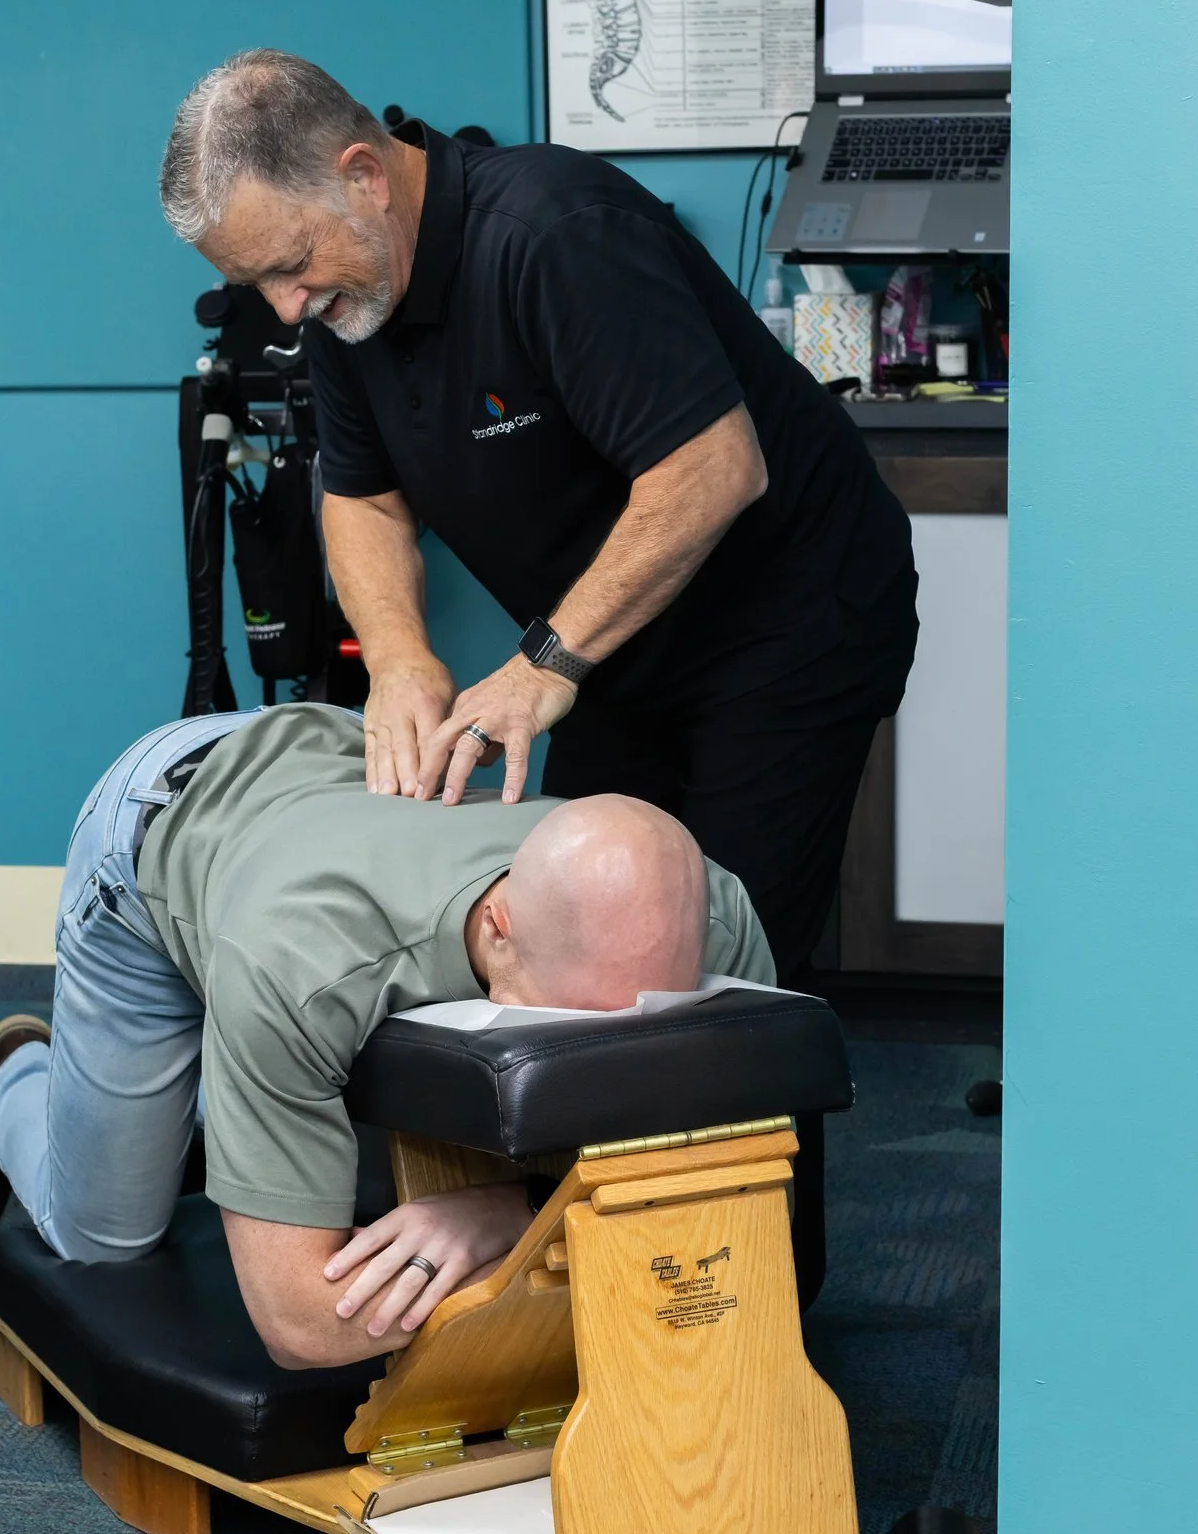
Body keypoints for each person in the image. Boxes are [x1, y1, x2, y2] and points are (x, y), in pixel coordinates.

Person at [157, 50, 919, 985]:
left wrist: (544, 663)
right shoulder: (347, 310)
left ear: (364, 175)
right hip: (623, 645)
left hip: (789, 621)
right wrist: (398, 660)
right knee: (585, 936)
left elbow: (713, 468)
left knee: (721, 962)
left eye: (291, 265)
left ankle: (740, 1122)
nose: (286, 306)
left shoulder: (556, 232)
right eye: (256, 285)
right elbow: (361, 496)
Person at [0, 702, 772, 1369]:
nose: (626, 1056)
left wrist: (512, 1211)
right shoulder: (298, 960)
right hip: (155, 825)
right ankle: (15, 1086)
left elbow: (749, 1191)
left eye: (649, 1021)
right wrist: (562, 1226)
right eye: (581, 1030)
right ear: (502, 927)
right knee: (105, 1238)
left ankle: (237, 1095)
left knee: (284, 1072)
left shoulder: (708, 913)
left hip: (322, 795)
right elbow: (302, 1327)